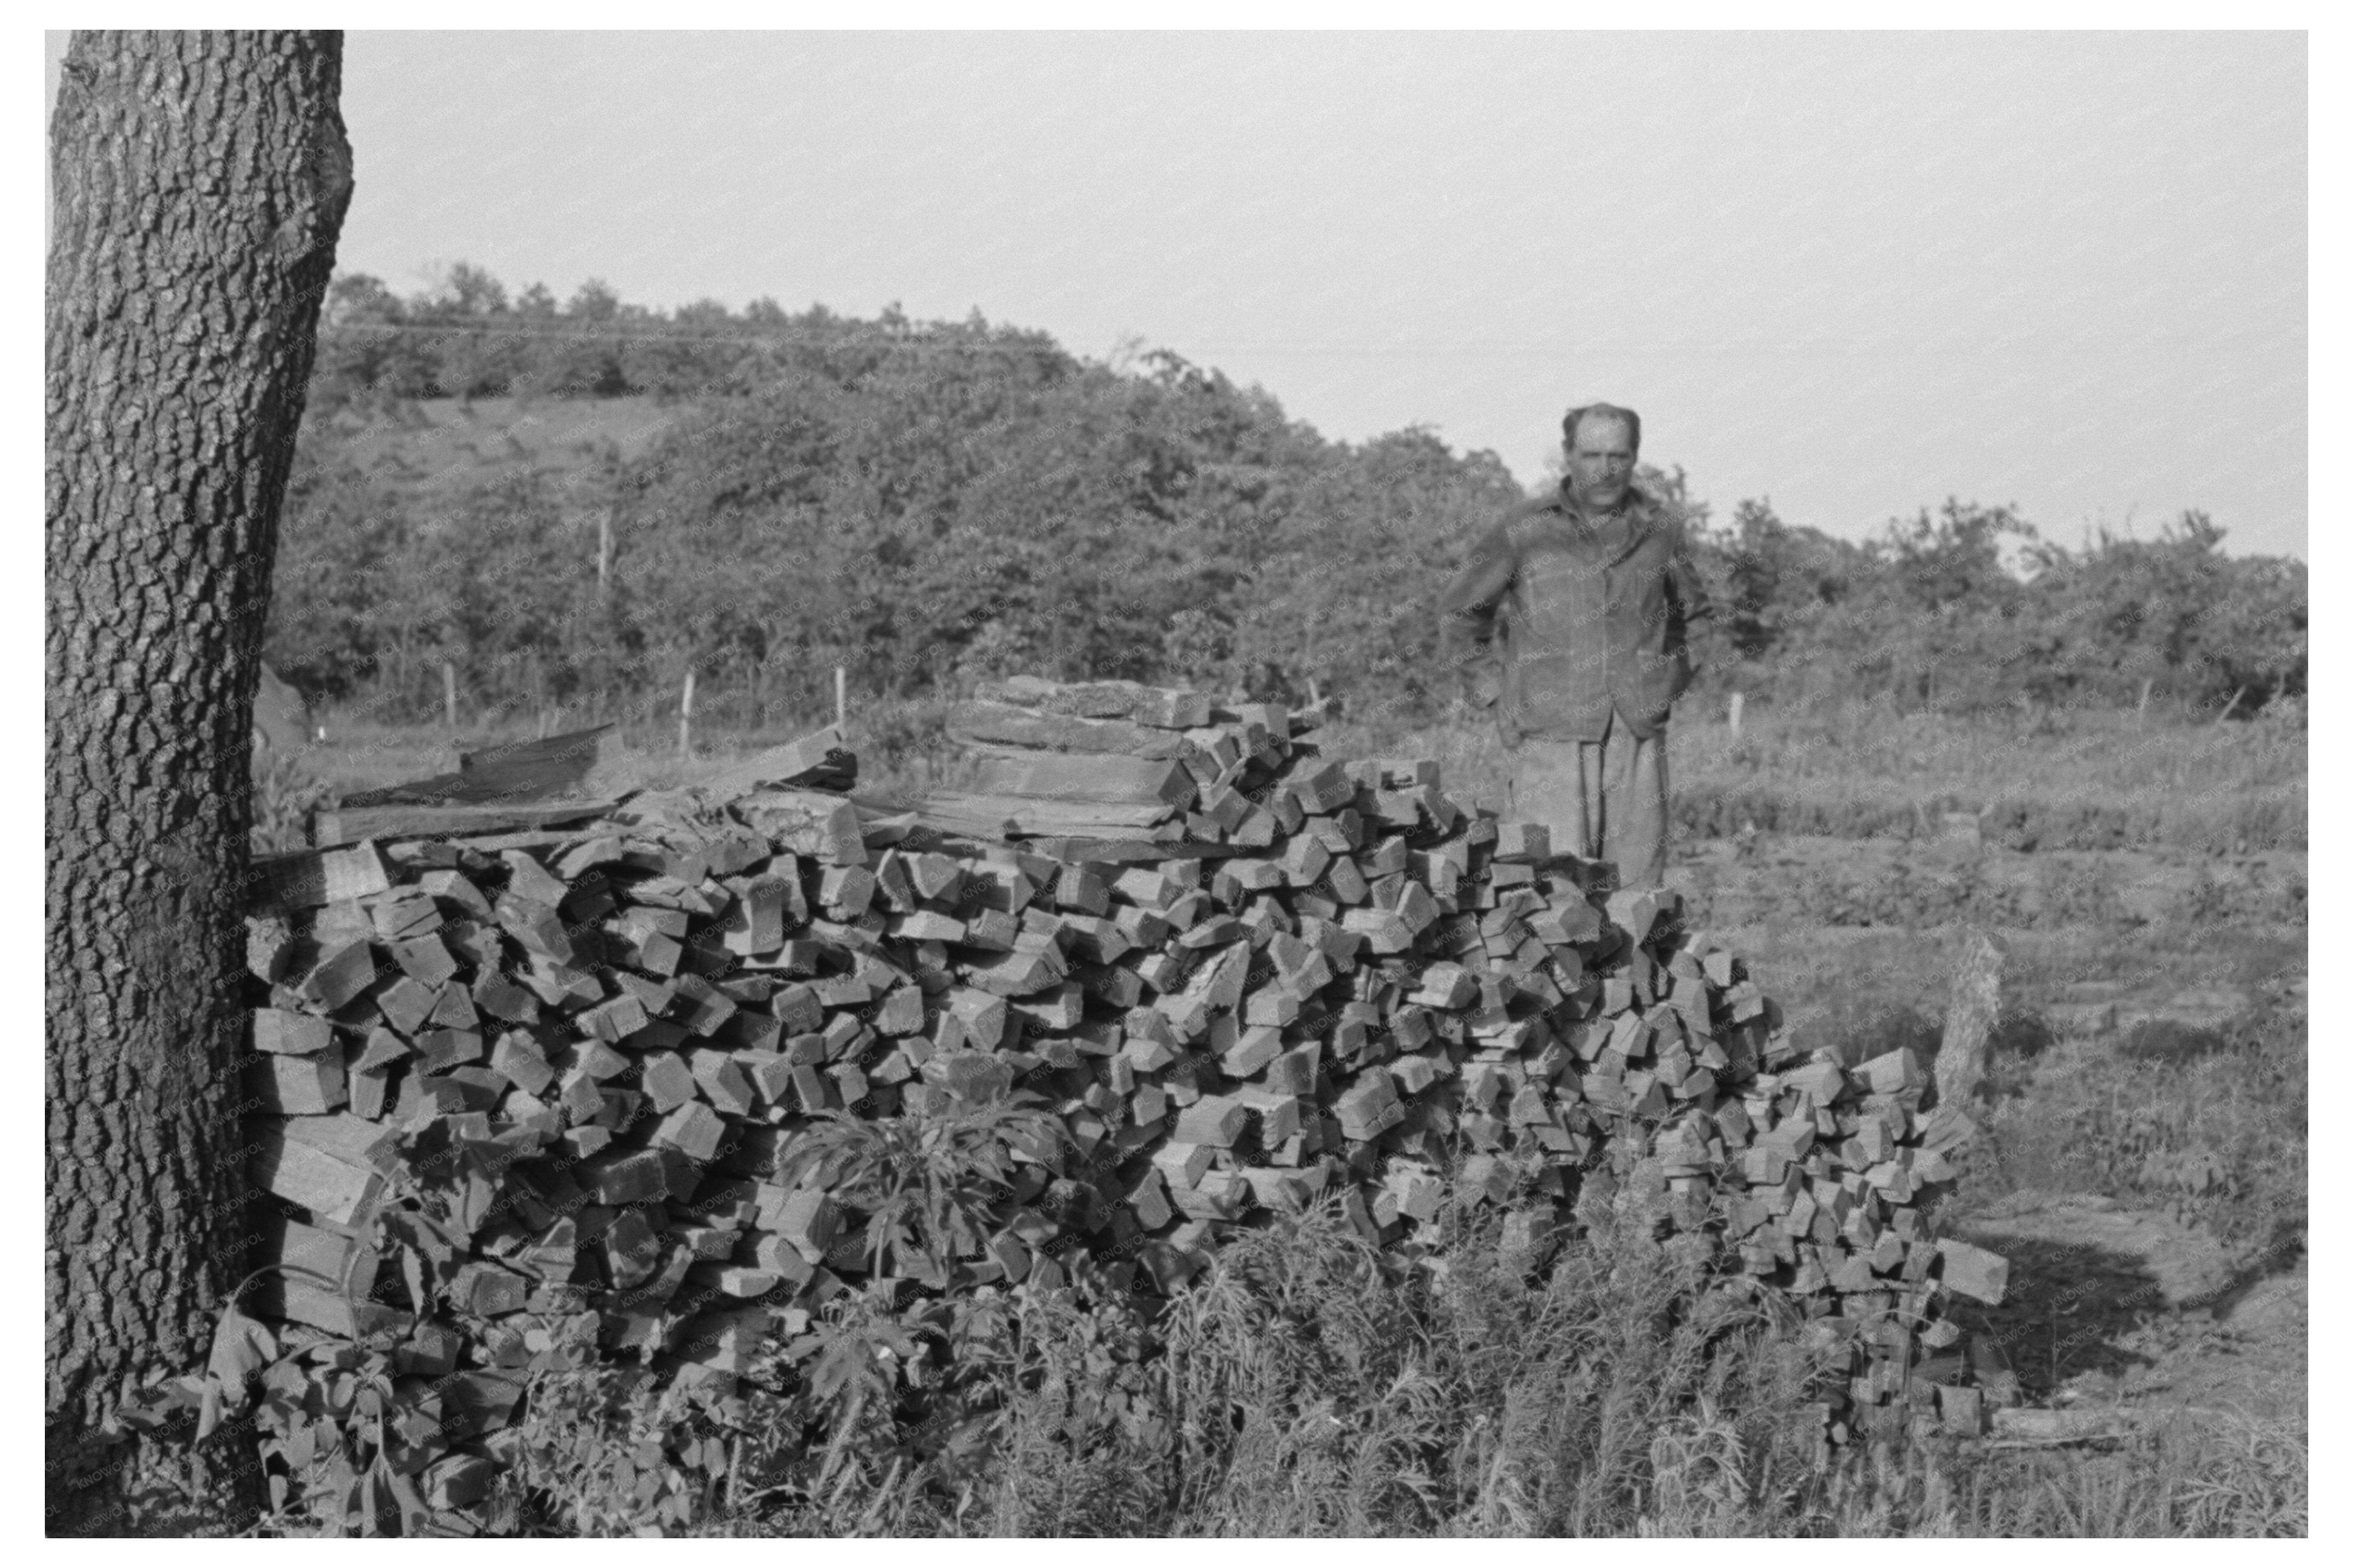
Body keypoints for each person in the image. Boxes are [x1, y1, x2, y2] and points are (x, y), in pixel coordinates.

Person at [1438, 402, 1710, 891]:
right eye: (1591, 455)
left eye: (1618, 456)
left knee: (1635, 894)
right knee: (1551, 892)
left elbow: (1699, 618)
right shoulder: (1524, 527)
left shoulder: (1661, 531)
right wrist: (1494, 693)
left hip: (1636, 736)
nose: (1605, 469)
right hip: (1549, 735)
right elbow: (1462, 613)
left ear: (1635, 457)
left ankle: (1629, 970)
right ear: (1567, 455)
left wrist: (1664, 683)